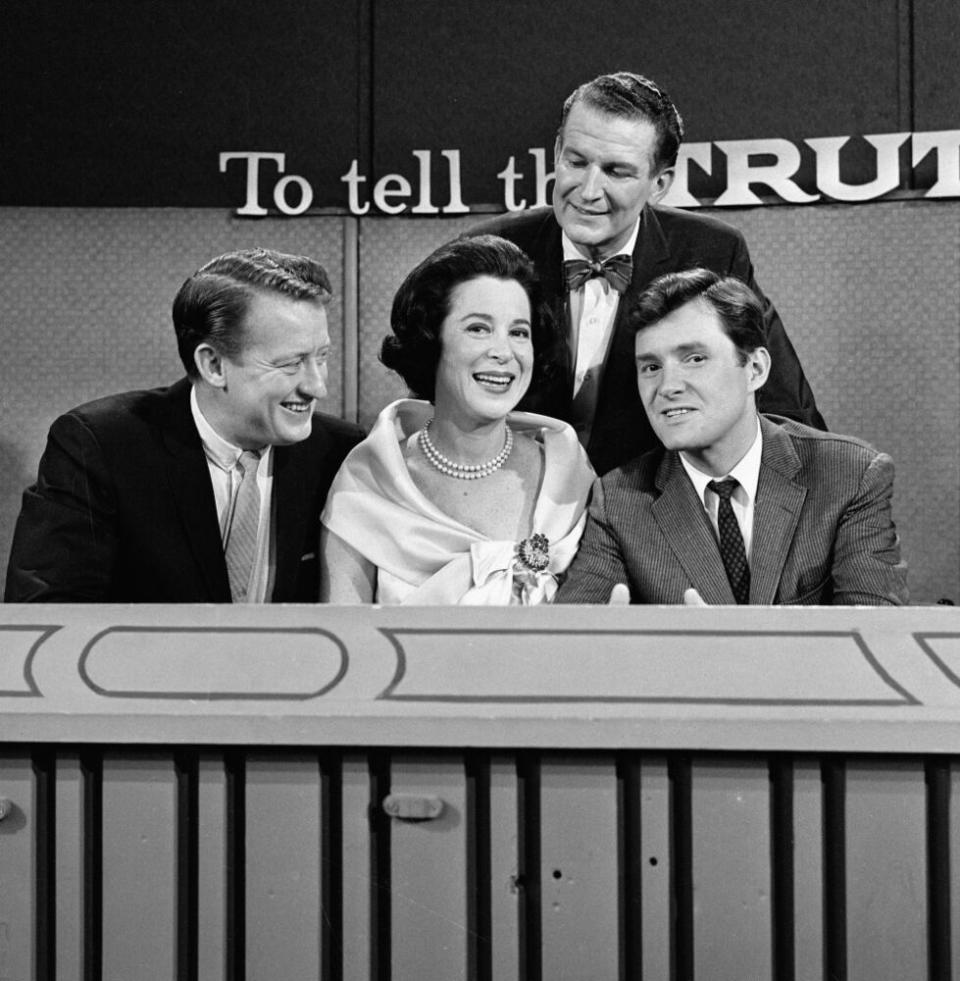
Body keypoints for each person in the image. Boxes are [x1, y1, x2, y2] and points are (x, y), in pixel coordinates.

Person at [470, 71, 825, 475]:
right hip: (512, 506)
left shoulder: (710, 253)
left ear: (659, 184)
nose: (587, 191)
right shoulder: (491, 254)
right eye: (576, 161)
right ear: (556, 151)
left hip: (649, 516)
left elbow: (784, 411)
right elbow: (440, 402)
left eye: (616, 171)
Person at [5, 248, 364, 602]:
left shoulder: (341, 454)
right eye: (290, 364)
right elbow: (48, 619)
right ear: (213, 365)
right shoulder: (101, 447)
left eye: (322, 357)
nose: (317, 385)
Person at [556, 269, 908, 605]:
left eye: (694, 358)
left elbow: (871, 640)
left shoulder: (849, 476)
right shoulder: (618, 500)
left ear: (755, 369)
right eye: (651, 367)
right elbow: (573, 649)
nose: (667, 387)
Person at [320, 235, 594, 604]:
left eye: (518, 332)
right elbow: (344, 647)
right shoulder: (367, 483)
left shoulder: (570, 475)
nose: (503, 352)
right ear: (432, 340)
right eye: (478, 328)